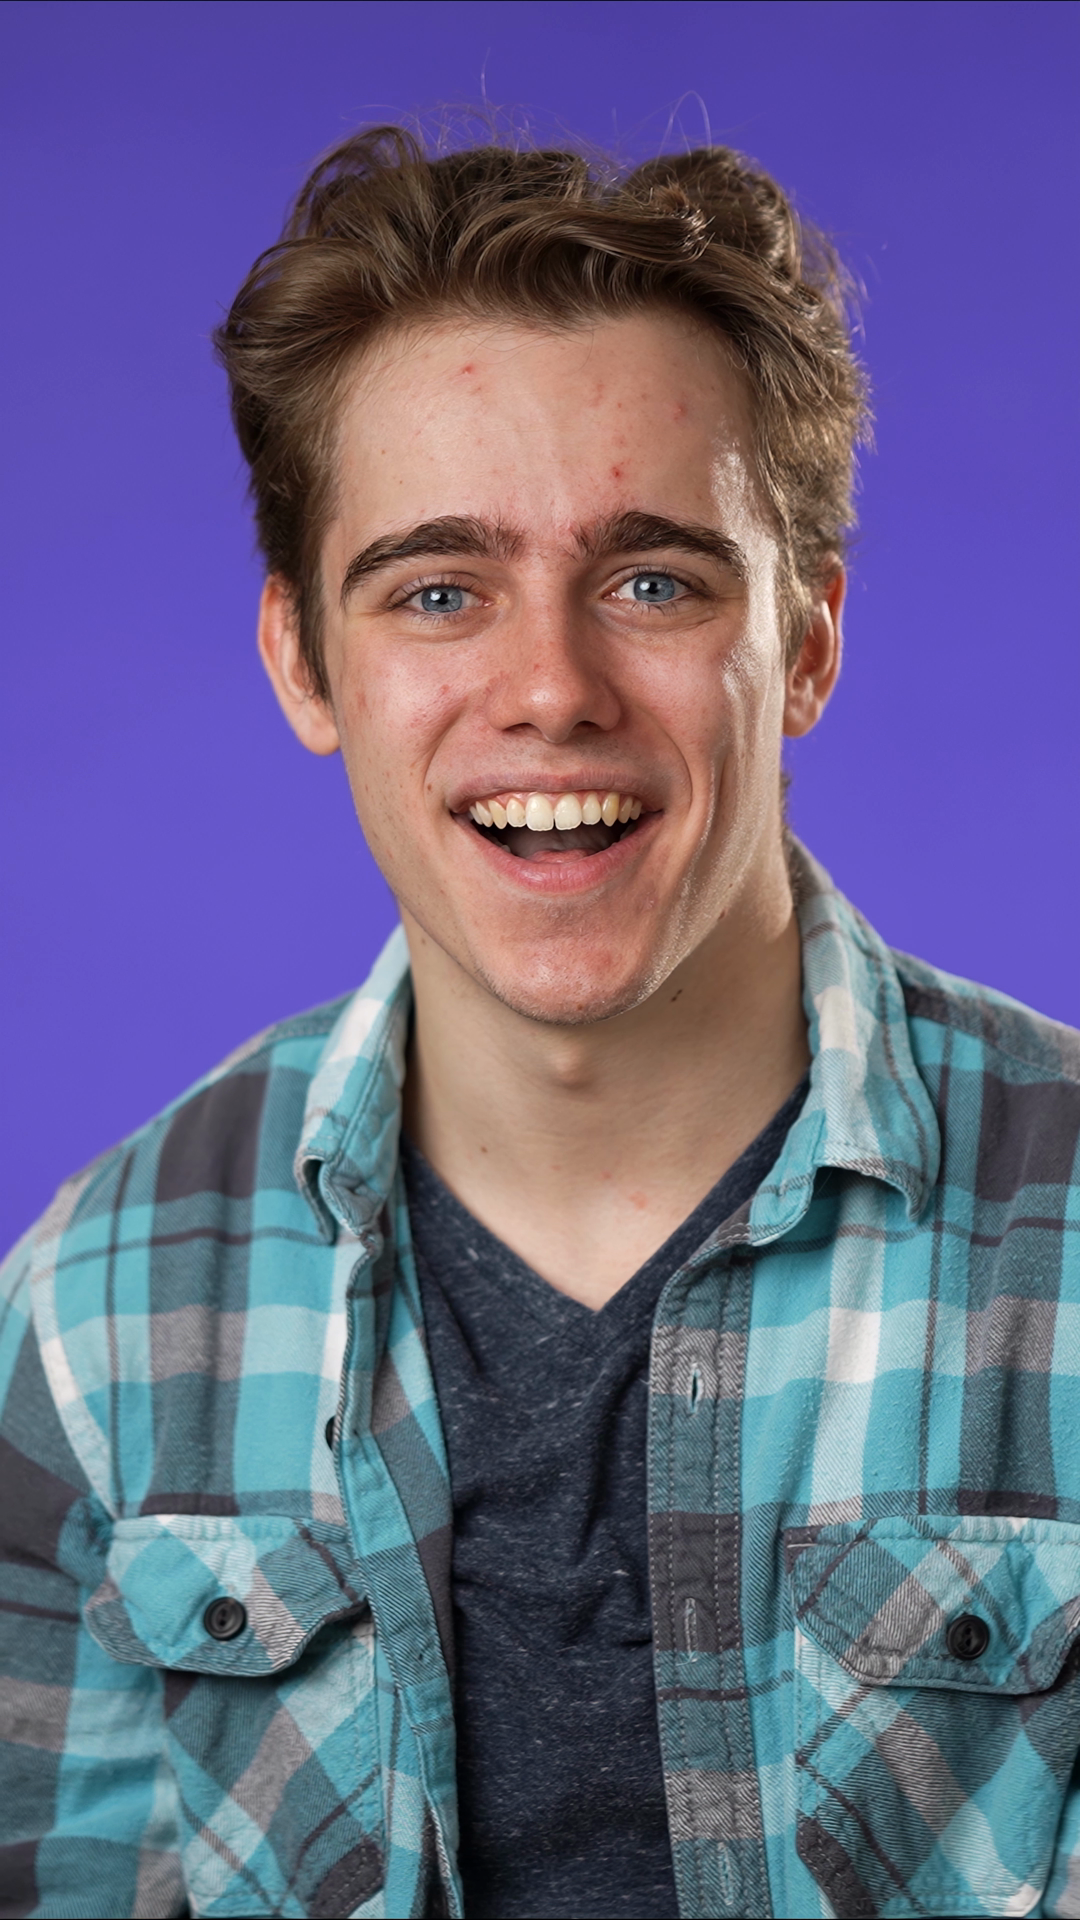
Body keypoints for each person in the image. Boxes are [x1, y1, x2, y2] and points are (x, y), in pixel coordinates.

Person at [2, 124, 1080, 1920]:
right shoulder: (96, 1323)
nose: (552, 690)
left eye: (655, 581)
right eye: (440, 591)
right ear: (302, 659)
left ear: (806, 643)